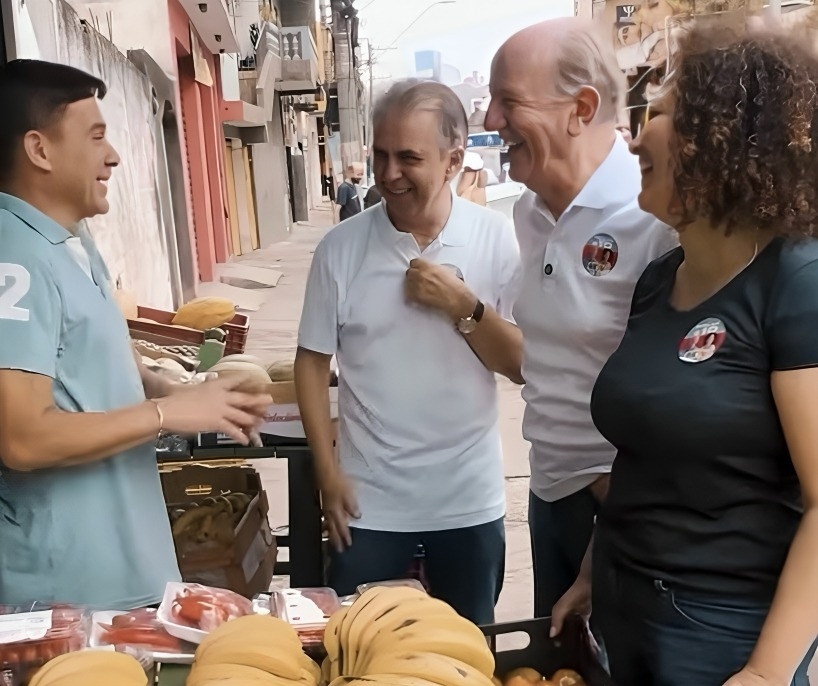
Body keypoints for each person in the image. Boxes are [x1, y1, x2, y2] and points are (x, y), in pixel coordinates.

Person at [552, 24, 818, 685]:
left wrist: (765, 671)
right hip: (623, 607)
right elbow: (645, 447)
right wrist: (592, 569)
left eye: (660, 114)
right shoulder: (657, 281)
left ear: (724, 136)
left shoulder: (796, 283)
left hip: (721, 633)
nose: (635, 138)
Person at [0, 60, 271, 609]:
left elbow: (94, 356)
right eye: (96, 136)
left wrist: (173, 393)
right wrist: (167, 416)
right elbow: (22, 438)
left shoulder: (71, 238)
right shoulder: (16, 260)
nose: (114, 155)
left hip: (126, 573)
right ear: (39, 150)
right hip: (67, 599)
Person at [294, 78, 522, 624]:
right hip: (369, 504)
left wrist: (464, 306)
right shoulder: (340, 249)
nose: (389, 173)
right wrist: (327, 473)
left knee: (465, 657)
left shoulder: (496, 240)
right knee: (360, 654)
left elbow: (520, 364)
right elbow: (311, 361)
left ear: (452, 161)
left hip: (468, 499)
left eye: (409, 158)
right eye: (381, 155)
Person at [483, 18, 677, 622]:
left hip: (625, 507)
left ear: (581, 108)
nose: (490, 120)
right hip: (551, 495)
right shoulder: (529, 215)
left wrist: (618, 503)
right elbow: (541, 360)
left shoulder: (657, 217)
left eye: (508, 100)